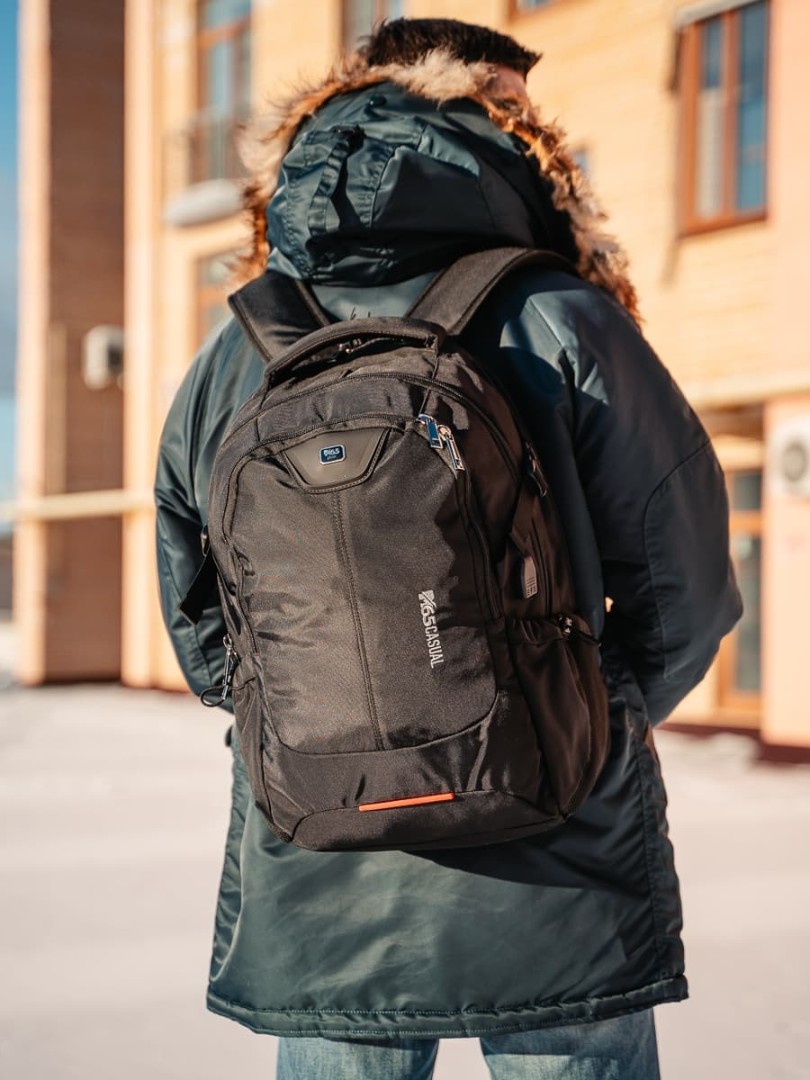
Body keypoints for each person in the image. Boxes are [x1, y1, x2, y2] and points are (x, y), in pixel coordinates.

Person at [155, 18, 742, 1079]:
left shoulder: (235, 349)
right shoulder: (562, 317)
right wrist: (579, 708)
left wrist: (315, 716)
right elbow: (684, 583)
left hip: (320, 847)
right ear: (488, 117)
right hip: (556, 844)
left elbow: (196, 612)